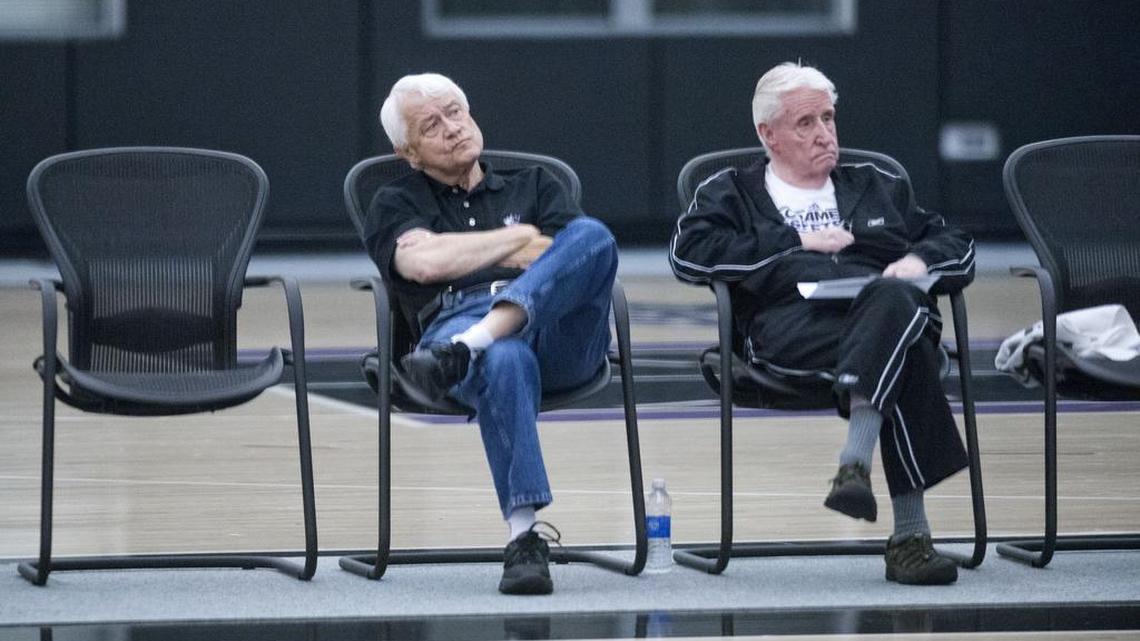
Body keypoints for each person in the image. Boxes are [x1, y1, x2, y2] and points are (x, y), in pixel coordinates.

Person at [669, 62, 976, 585]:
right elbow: (689, 254)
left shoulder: (875, 185)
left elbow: (957, 244)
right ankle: (909, 538)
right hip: (792, 333)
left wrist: (919, 264)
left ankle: (856, 463)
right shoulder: (732, 192)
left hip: (883, 319)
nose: (825, 134)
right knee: (908, 344)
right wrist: (795, 242)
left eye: (829, 118)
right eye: (806, 123)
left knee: (893, 300)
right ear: (768, 135)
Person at [363, 73, 619, 595]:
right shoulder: (395, 201)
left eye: (455, 112)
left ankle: (470, 346)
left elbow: (579, 255)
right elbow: (425, 264)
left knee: (594, 236)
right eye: (431, 125)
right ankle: (523, 537)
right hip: (457, 314)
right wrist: (520, 238)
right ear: (408, 152)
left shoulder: (538, 183)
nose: (452, 129)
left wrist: (478, 252)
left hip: (557, 337)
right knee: (505, 359)